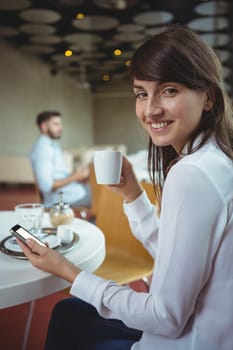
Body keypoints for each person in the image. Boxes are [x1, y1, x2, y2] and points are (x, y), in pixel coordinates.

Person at [19, 25, 233, 350]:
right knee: (69, 311)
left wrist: (70, 272)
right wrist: (133, 195)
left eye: (170, 90)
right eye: (142, 93)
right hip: (198, 331)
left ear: (208, 97)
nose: (150, 110)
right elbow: (177, 258)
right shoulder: (215, 158)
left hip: (183, 340)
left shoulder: (191, 174)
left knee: (70, 315)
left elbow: (165, 316)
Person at [30, 111, 91, 208]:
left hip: (72, 191)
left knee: (103, 191)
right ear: (44, 127)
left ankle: (93, 221)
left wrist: (79, 177)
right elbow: (46, 186)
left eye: (60, 124)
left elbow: (59, 175)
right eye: (56, 124)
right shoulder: (42, 150)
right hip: (63, 198)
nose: (61, 128)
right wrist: (75, 177)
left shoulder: (53, 145)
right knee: (105, 196)